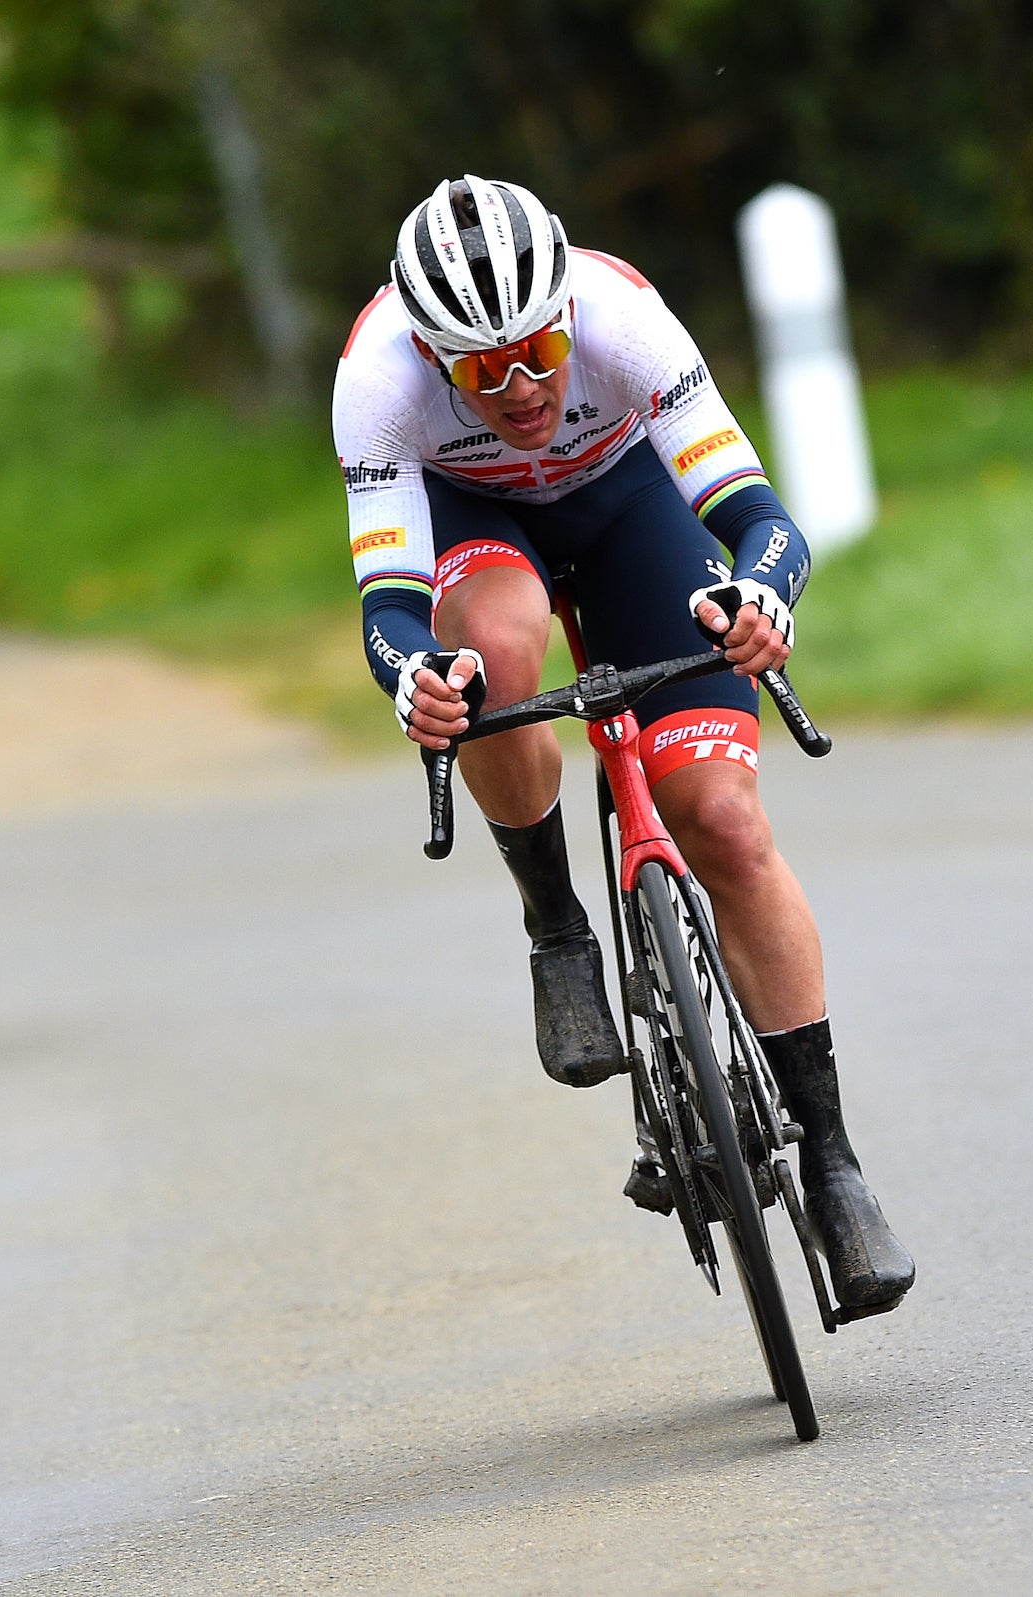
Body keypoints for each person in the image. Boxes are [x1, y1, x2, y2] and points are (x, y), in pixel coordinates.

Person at [333, 175, 913, 1314]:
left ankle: (836, 1161)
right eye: (480, 370)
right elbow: (390, 606)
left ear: (567, 315)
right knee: (491, 658)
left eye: (539, 349)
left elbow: (761, 519)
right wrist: (416, 679)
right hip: (478, 524)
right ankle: (557, 927)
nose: (520, 387)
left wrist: (761, 597)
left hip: (629, 503)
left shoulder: (622, 314)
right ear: (432, 359)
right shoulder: (375, 381)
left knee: (728, 822)